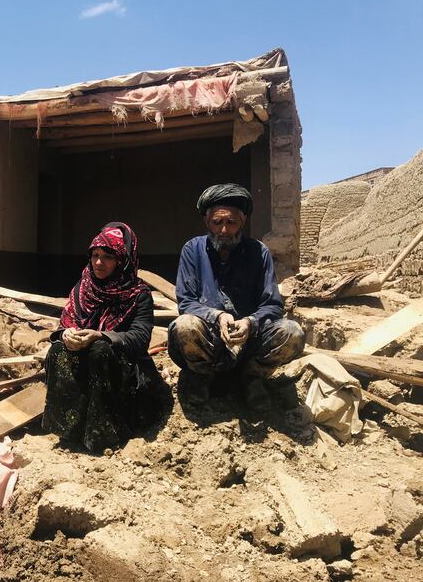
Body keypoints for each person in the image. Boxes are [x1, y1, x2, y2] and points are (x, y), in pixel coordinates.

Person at [168, 183, 305, 410]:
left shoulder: (259, 252)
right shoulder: (192, 250)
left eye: (231, 223)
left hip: (248, 340)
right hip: (209, 338)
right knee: (185, 325)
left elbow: (272, 305)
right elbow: (186, 302)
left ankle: (252, 377)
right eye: (217, 222)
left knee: (293, 332)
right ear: (207, 222)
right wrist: (218, 316)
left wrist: (250, 323)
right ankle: (202, 376)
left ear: (242, 221)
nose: (223, 230)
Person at [41, 222, 161, 453]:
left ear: (122, 260)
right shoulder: (83, 288)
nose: (98, 262)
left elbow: (140, 338)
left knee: (99, 351)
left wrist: (101, 336)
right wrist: (65, 334)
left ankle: (105, 434)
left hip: (125, 372)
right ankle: (68, 430)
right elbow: (65, 324)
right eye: (95, 255)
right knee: (57, 350)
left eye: (107, 256)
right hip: (89, 367)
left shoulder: (138, 294)